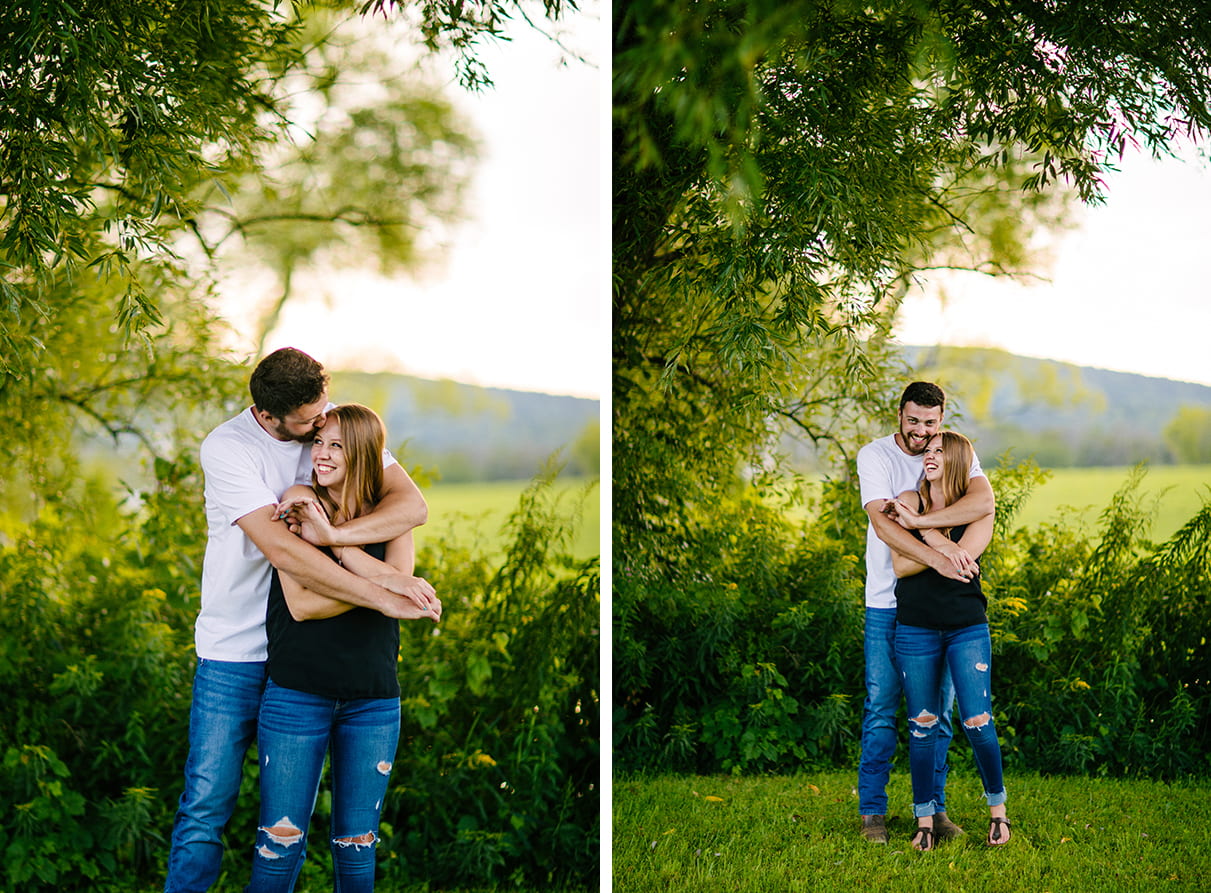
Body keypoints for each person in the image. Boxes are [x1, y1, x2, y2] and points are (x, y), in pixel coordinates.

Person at [166, 348, 436, 893]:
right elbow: (286, 555)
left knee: (332, 833)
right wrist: (382, 595)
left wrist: (337, 538)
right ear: (269, 416)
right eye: (311, 424)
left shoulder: (331, 424)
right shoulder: (229, 448)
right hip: (235, 651)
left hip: (305, 660)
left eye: (324, 414)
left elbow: (411, 507)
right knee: (207, 805)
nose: (322, 427)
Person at [248, 403, 439, 891]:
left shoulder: (390, 517)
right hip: (297, 696)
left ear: (362, 456)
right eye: (319, 443)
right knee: (278, 846)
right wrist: (384, 595)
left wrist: (333, 542)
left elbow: (399, 585)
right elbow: (304, 603)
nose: (322, 454)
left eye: (336, 445)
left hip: (373, 701)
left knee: (357, 849)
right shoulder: (298, 499)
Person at [855, 381, 995, 844]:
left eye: (929, 423)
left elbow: (983, 503)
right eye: (913, 421)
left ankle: (934, 810)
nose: (920, 433)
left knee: (940, 715)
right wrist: (939, 552)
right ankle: (873, 812)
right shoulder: (875, 456)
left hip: (941, 612)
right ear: (900, 414)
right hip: (886, 603)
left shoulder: (953, 451)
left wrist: (919, 526)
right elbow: (882, 522)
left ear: (942, 419)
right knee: (881, 709)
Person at [891, 431, 1010, 850]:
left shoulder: (976, 511)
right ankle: (924, 820)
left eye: (939, 450)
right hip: (915, 627)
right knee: (922, 727)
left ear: (958, 459)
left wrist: (921, 530)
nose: (930, 454)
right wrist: (937, 541)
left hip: (966, 626)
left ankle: (998, 812)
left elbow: (964, 563)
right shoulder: (909, 495)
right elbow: (901, 566)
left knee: (978, 721)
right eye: (928, 449)